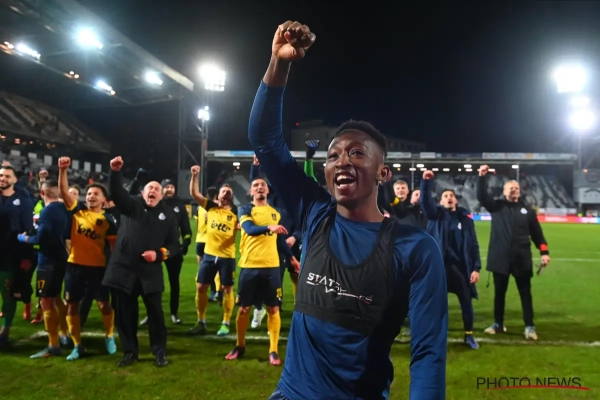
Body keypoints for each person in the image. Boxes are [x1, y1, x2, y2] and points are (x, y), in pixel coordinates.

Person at [250, 21, 447, 400]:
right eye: (334, 155)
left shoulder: (416, 249)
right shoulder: (314, 212)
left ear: (383, 173)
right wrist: (279, 62)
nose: (342, 161)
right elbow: (265, 140)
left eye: (357, 153)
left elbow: (427, 354)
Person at [102, 156, 180, 368]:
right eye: (149, 188)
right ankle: (130, 352)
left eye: (157, 189)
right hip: (124, 269)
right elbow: (116, 193)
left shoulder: (168, 216)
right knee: (125, 314)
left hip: (150, 272)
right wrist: (115, 172)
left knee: (156, 314)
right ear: (142, 193)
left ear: (161, 195)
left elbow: (174, 245)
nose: (153, 191)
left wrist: (160, 254)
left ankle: (159, 352)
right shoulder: (131, 205)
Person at [225, 177, 299, 365]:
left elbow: (279, 239)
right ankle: (240, 346)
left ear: (267, 191)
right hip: (249, 265)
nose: (259, 188)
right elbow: (249, 229)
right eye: (255, 185)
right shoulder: (245, 209)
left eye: (263, 185)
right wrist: (269, 227)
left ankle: (273, 350)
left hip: (272, 267)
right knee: (244, 309)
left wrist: (292, 258)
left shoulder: (275, 213)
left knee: (273, 309)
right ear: (251, 192)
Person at [477, 165, 550, 340]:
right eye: (510, 188)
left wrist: (544, 252)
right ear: (504, 191)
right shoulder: (496, 206)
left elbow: (537, 233)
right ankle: (498, 324)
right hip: (500, 258)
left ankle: (529, 326)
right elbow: (482, 196)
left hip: (521, 259)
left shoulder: (528, 211)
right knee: (499, 294)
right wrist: (481, 177)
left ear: (519, 191)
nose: (514, 190)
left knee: (525, 294)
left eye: (516, 188)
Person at [57, 157, 118, 361]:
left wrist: (114, 268)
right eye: (89, 193)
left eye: (96, 194)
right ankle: (77, 345)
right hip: (75, 267)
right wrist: (62, 170)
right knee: (72, 305)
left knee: (103, 305)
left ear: (104, 200)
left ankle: (109, 336)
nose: (91, 196)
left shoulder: (108, 220)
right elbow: (64, 192)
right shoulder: (78, 211)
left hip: (98, 268)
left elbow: (113, 247)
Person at [420, 170, 481, 349]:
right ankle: (435, 336)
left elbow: (474, 245)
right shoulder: (435, 215)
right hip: (439, 268)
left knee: (466, 302)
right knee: (436, 304)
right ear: (441, 201)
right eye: (445, 196)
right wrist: (426, 182)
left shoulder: (466, 220)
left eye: (451, 196)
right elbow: (425, 202)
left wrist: (476, 268)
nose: (449, 198)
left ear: (456, 200)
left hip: (461, 268)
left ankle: (469, 335)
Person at [18, 180, 70, 358]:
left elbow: (41, 238)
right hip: (61, 258)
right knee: (56, 298)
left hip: (48, 261)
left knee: (46, 301)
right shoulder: (63, 209)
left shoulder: (47, 211)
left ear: (42, 192)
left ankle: (53, 345)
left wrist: (23, 238)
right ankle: (64, 334)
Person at [189, 167, 239, 337]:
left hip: (227, 257)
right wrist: (194, 176)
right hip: (209, 255)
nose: (226, 194)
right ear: (218, 195)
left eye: (229, 192)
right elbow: (195, 194)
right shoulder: (211, 207)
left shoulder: (236, 212)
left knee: (227, 289)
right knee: (201, 287)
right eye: (223, 191)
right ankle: (201, 321)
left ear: (231, 197)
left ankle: (226, 322)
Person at [139, 179, 192, 326]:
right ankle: (151, 313)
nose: (169, 189)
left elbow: (186, 229)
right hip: (153, 250)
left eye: (171, 187)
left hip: (172, 250)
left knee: (174, 282)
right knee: (151, 284)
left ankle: (174, 313)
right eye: (166, 187)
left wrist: (185, 243)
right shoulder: (154, 204)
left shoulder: (180, 206)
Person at [0, 165, 34, 346]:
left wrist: (27, 256)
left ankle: (5, 330)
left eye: (7, 176)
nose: (3, 178)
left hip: (10, 255)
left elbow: (27, 229)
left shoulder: (24, 201)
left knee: (7, 294)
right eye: (1, 175)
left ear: (14, 179)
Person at [195, 187, 219, 302]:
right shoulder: (214, 208)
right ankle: (215, 292)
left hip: (199, 240)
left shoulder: (199, 208)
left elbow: (197, 223)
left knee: (201, 269)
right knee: (214, 269)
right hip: (210, 241)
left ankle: (200, 293)